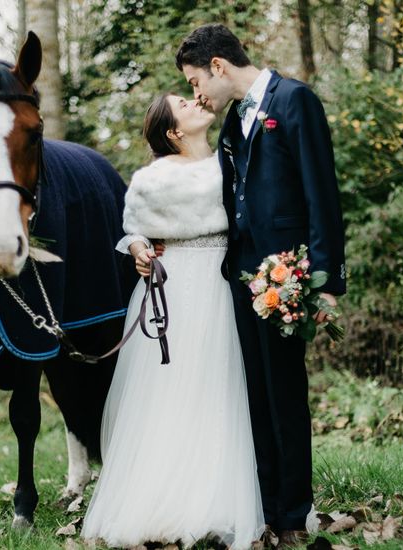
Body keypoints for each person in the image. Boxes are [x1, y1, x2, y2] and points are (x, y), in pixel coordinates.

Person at [175, 23, 347, 545]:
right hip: (241, 275)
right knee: (254, 393)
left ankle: (294, 512)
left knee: (285, 393)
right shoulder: (231, 124)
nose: (195, 93)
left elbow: (323, 194)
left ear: (219, 66)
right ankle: (267, 505)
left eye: (194, 80)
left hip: (288, 277)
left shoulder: (294, 101)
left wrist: (327, 280)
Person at [81, 93, 265, 549]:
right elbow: (134, 231)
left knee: (220, 387)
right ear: (174, 132)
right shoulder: (154, 177)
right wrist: (142, 251)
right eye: (183, 102)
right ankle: (165, 498)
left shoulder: (231, 158)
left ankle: (221, 497)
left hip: (225, 285)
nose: (195, 99)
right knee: (173, 391)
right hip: (177, 286)